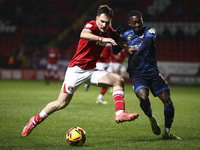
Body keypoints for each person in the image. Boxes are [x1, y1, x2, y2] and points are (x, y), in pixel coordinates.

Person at [22, 5, 139, 137]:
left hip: (92, 70)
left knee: (118, 80)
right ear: (96, 19)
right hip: (76, 70)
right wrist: (103, 39)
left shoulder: (108, 30)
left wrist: (127, 48)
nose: (104, 25)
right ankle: (34, 121)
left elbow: (118, 39)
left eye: (107, 23)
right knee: (61, 103)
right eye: (101, 21)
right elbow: (83, 34)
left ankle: (119, 114)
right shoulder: (91, 25)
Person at [115, 10, 181, 140]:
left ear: (142, 21)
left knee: (167, 101)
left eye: (139, 21)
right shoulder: (126, 36)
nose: (137, 25)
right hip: (137, 74)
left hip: (153, 73)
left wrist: (137, 54)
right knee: (143, 98)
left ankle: (167, 132)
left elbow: (147, 43)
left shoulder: (150, 30)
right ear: (129, 23)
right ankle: (151, 118)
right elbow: (115, 49)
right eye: (134, 23)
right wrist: (115, 38)